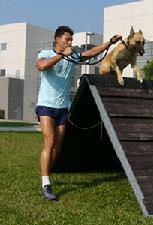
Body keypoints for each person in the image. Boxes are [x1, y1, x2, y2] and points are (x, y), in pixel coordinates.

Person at [35, 25, 121, 201]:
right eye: (67, 39)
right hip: (45, 105)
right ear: (57, 39)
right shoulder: (45, 53)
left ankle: (46, 173)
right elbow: (42, 66)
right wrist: (61, 55)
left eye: (71, 39)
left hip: (63, 107)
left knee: (57, 148)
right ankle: (46, 183)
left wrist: (110, 43)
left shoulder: (72, 55)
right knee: (49, 142)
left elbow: (93, 53)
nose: (70, 42)